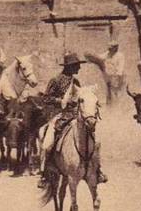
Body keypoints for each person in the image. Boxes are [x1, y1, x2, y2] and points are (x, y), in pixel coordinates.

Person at [37, 52, 107, 186]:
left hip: (75, 115)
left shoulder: (76, 82)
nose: (79, 68)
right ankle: (44, 174)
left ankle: (97, 170)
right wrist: (61, 101)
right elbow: (46, 99)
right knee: (47, 144)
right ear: (69, 67)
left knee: (95, 141)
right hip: (59, 116)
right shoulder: (55, 81)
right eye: (76, 66)